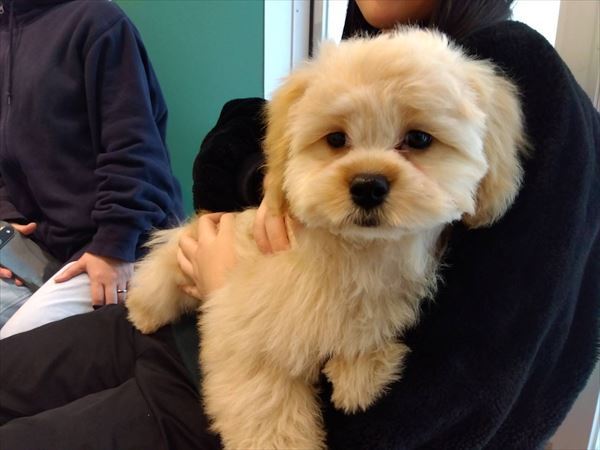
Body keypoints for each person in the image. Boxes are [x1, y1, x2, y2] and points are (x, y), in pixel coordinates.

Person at [1, 1, 598, 449]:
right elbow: (242, 139)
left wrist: (232, 292)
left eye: (416, 141)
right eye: (338, 140)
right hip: (176, 326)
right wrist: (264, 185)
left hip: (238, 384)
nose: (369, 170)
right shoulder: (362, 49)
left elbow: (465, 393)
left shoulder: (514, 70)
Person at [0, 0, 184, 338]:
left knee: (14, 353)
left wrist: (114, 245)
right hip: (41, 247)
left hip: (121, 245)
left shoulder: (98, 21)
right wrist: (5, 227)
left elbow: (135, 148)